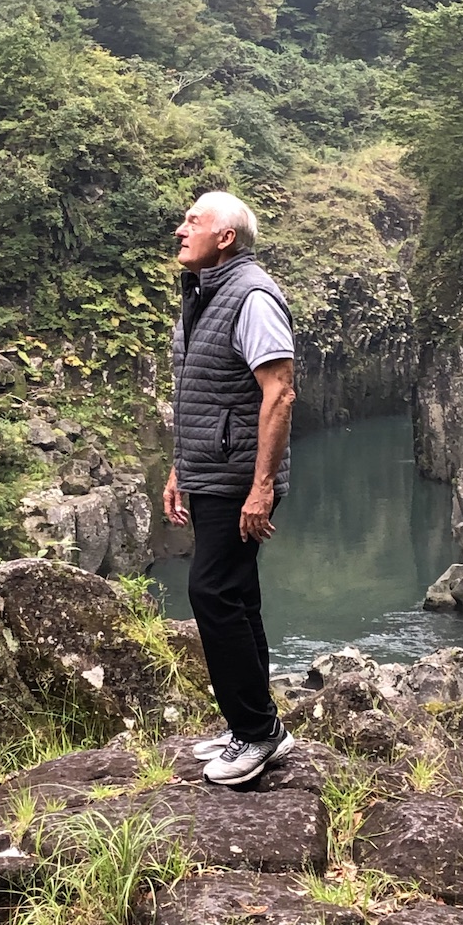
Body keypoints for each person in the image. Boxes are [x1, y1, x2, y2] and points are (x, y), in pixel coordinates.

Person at [163, 190, 296, 785]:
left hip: (239, 478)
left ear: (226, 238)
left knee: (211, 593)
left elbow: (280, 392)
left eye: (194, 221)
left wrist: (261, 487)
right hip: (211, 473)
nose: (180, 229)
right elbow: (200, 395)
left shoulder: (252, 297)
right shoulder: (203, 294)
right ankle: (256, 724)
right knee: (237, 595)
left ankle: (256, 732)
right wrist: (179, 470)